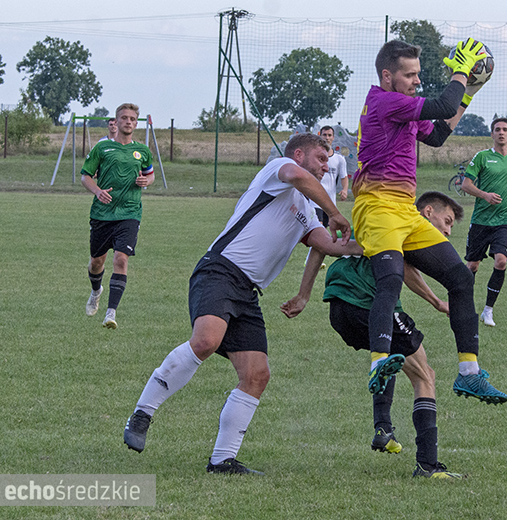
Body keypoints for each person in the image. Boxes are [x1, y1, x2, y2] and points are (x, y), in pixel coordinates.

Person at [123, 133, 360, 475]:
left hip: (248, 292)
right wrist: (335, 211)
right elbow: (299, 178)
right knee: (206, 340)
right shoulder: (280, 169)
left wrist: (377, 247)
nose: (327, 166)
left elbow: (326, 245)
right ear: (299, 154)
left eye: (328, 161)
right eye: (321, 158)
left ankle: (222, 461)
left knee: (256, 374)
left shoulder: (308, 209)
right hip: (220, 270)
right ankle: (143, 412)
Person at [350, 38, 506, 405]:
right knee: (389, 279)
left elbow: (437, 133)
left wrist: (468, 92)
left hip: (404, 209)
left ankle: (469, 373)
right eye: (410, 75)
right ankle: (378, 363)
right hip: (375, 205)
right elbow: (442, 104)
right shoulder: (383, 101)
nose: (417, 81)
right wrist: (461, 72)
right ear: (387, 77)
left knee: (459, 278)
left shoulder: (402, 108)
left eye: (418, 74)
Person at [283, 192, 480, 478]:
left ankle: (383, 427)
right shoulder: (406, 229)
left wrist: (304, 295)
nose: (448, 231)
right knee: (425, 375)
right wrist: (437, 302)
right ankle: (428, 464)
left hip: (338, 308)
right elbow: (406, 269)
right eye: (447, 221)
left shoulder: (375, 219)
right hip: (366, 302)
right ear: (427, 213)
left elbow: (322, 245)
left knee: (389, 357)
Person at [81, 104, 154, 329]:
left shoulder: (142, 151)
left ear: (136, 122)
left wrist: (146, 181)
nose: (128, 122)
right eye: (124, 118)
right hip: (102, 214)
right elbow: (85, 176)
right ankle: (96, 291)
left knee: (121, 259)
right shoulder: (102, 149)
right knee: (97, 262)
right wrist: (97, 191)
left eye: (132, 118)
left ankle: (110, 314)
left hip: (130, 212)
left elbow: (150, 175)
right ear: (117, 120)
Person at [461, 117, 507, 329]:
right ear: (492, 134)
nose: (501, 133)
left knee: (501, 261)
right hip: (481, 220)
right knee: (472, 265)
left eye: (505, 129)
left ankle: (488, 310)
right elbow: (466, 185)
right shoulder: (482, 157)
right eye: (497, 129)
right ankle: (465, 306)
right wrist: (484, 195)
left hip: (504, 221)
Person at [304, 125, 350, 267]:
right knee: (319, 230)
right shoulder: (314, 158)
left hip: (330, 204)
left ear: (333, 137)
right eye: (324, 135)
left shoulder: (339, 159)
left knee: (331, 232)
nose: (327, 138)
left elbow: (344, 177)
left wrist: (344, 189)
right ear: (320, 136)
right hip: (315, 202)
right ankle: (310, 261)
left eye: (330, 135)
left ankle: (345, 253)